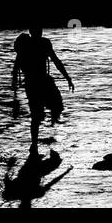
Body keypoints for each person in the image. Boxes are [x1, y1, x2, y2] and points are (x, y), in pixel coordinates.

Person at [12, 26, 73, 157]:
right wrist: (67, 77)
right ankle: (36, 143)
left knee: (43, 112)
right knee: (38, 114)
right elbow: (56, 61)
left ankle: (36, 142)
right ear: (33, 31)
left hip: (35, 83)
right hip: (38, 82)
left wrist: (68, 77)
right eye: (38, 30)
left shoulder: (37, 44)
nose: (40, 32)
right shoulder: (33, 44)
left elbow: (55, 61)